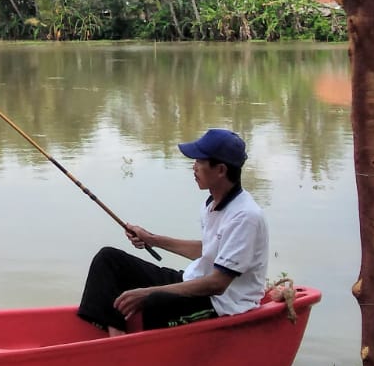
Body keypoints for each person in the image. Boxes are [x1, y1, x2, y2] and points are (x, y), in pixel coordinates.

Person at [76, 128, 268, 334]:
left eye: (199, 162)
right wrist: (151, 239)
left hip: (223, 304)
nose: (194, 168)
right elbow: (208, 250)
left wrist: (148, 293)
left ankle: (139, 353)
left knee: (156, 302)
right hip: (194, 281)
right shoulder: (212, 203)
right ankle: (117, 340)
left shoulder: (245, 216)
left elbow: (218, 284)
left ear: (220, 170)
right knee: (109, 260)